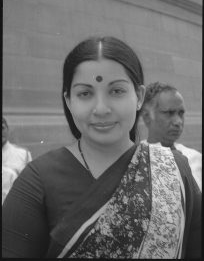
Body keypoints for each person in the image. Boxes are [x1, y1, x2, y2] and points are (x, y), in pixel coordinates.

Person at [2, 37, 201, 259]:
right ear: (68, 101)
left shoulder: (174, 169)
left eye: (116, 91)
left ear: (139, 97)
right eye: (85, 93)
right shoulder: (37, 181)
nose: (101, 108)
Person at [141, 82, 202, 190]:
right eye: (169, 113)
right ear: (147, 117)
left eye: (181, 113)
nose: (178, 121)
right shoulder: (134, 159)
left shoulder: (195, 159)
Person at [2, 117, 32, 204]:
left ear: (7, 129)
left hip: (14, 208)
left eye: (2, 128)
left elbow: (29, 187)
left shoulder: (23, 154)